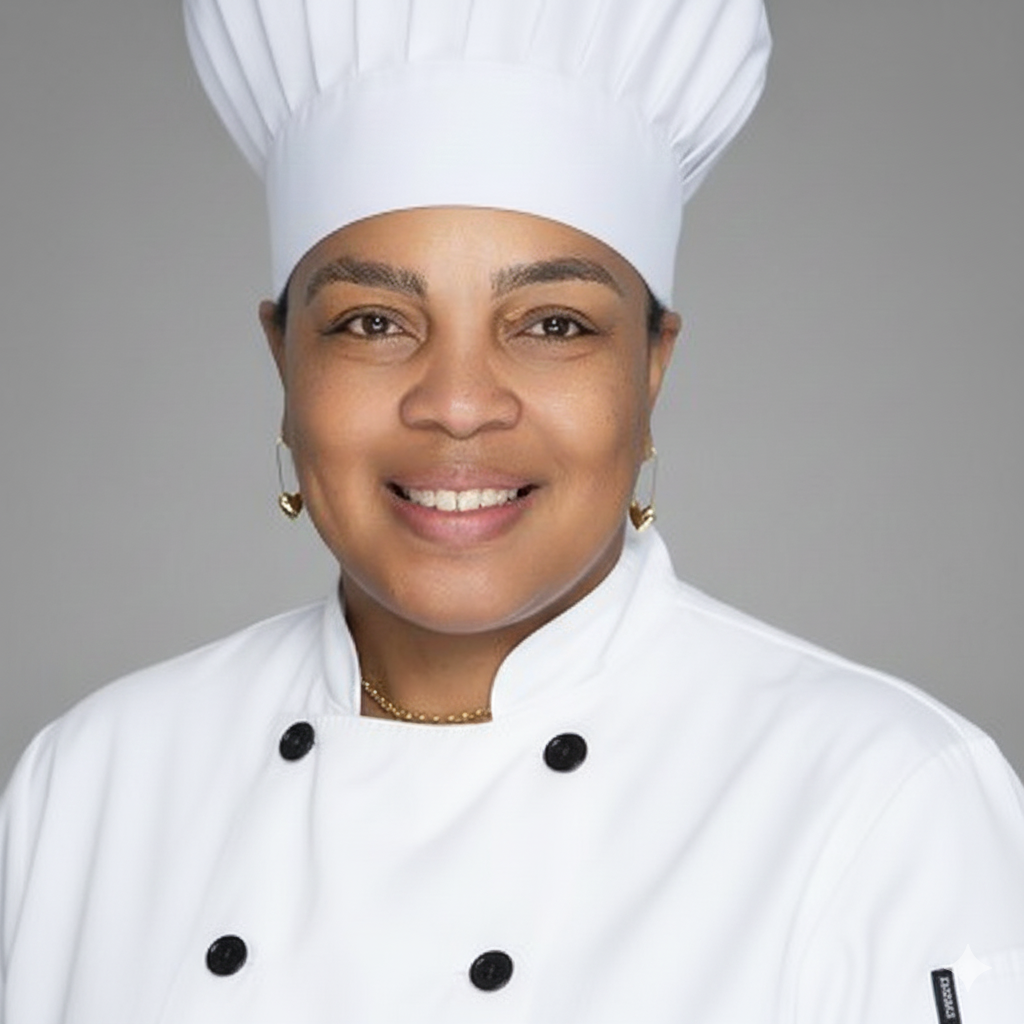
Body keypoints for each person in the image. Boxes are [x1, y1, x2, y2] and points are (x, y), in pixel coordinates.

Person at [1, 0, 1022, 1021]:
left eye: (550, 323)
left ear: (651, 366)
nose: (455, 403)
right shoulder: (92, 782)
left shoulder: (882, 802)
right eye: (371, 321)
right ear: (284, 357)